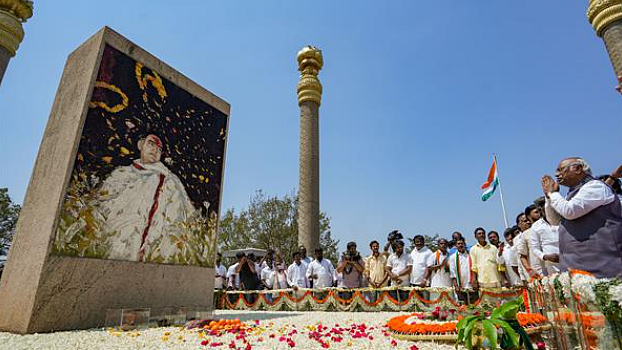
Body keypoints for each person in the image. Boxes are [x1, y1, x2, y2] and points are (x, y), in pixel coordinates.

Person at [99, 134, 201, 262]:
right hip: (115, 239)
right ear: (141, 146)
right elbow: (103, 202)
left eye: (159, 149)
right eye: (151, 144)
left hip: (147, 245)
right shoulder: (122, 173)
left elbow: (176, 217)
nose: (154, 150)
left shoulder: (169, 181)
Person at [542, 158, 622, 278]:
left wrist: (553, 194)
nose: (556, 174)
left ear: (578, 169)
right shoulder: (572, 194)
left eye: (561, 170)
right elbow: (554, 221)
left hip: (601, 267)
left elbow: (570, 211)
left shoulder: (595, 187)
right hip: (577, 269)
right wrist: (548, 196)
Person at [529, 197, 560, 275]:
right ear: (540, 210)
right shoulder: (536, 226)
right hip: (552, 266)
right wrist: (545, 256)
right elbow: (535, 248)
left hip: (570, 260)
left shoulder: (564, 219)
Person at [514, 209, 543, 281]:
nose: (528, 222)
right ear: (519, 224)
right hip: (532, 273)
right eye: (525, 221)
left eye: (528, 219)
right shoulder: (517, 239)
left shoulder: (539, 229)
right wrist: (525, 274)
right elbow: (520, 258)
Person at [449, 238, 478, 304]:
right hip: (460, 286)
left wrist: (475, 281)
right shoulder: (453, 257)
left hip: (471, 285)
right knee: (463, 307)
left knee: (474, 306)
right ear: (456, 246)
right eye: (458, 244)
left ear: (465, 245)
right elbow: (453, 273)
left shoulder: (470, 255)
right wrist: (456, 286)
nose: (460, 245)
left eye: (462, 243)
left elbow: (475, 269)